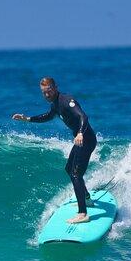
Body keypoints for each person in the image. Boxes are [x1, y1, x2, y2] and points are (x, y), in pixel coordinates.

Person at [12, 77, 97, 224]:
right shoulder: (55, 104)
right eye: (44, 93)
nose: (46, 95)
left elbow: (83, 116)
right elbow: (48, 116)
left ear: (55, 87)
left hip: (86, 140)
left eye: (49, 91)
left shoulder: (66, 100)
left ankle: (83, 213)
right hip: (81, 141)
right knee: (69, 169)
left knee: (76, 174)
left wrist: (80, 133)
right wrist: (27, 119)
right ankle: (87, 198)